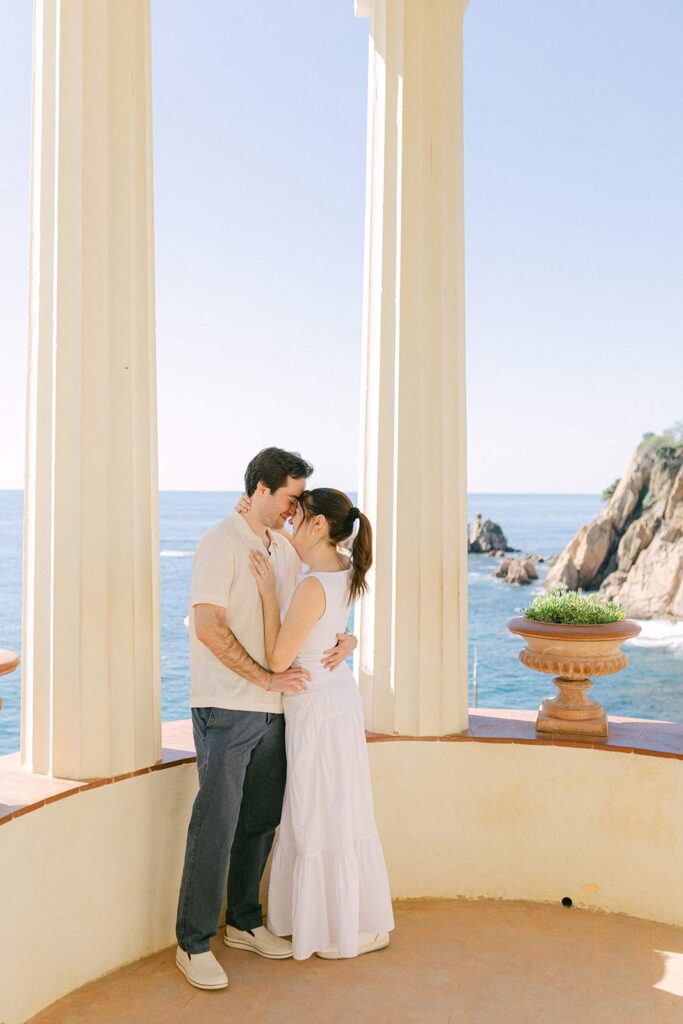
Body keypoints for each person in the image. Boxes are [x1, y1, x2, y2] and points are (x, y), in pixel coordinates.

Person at [175, 449, 357, 990]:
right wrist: (265, 678)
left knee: (260, 821)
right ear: (258, 489)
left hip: (277, 708)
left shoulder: (281, 543)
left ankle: (244, 922)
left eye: (300, 500)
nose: (294, 509)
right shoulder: (219, 543)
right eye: (288, 498)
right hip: (227, 707)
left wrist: (349, 638)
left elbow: (322, 598)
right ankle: (193, 942)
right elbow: (206, 626)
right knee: (217, 823)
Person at [250, 488, 394, 960]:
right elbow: (333, 622)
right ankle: (346, 916)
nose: (289, 520)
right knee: (340, 806)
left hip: (314, 705)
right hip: (336, 696)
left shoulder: (312, 586)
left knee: (316, 810)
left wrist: (270, 595)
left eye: (298, 516)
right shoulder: (346, 567)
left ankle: (329, 925)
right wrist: (350, 640)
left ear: (317, 526)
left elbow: (277, 657)